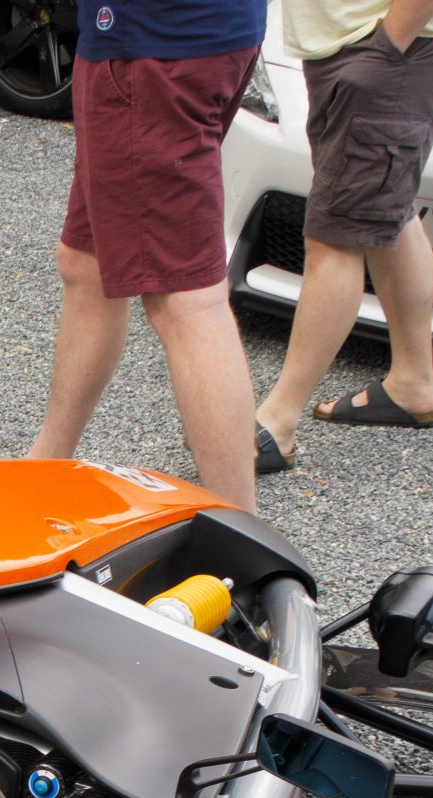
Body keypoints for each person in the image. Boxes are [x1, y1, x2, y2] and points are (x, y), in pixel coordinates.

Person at [27, 0, 267, 511]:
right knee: (85, 261)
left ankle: (247, 544)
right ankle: (44, 469)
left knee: (187, 302)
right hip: (201, 34)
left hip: (150, 47)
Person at [252, 0, 433, 474]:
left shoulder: (388, 46)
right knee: (386, 210)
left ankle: (278, 420)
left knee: (336, 234)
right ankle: (413, 381)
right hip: (366, 42)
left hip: (397, 41)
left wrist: (388, 44)